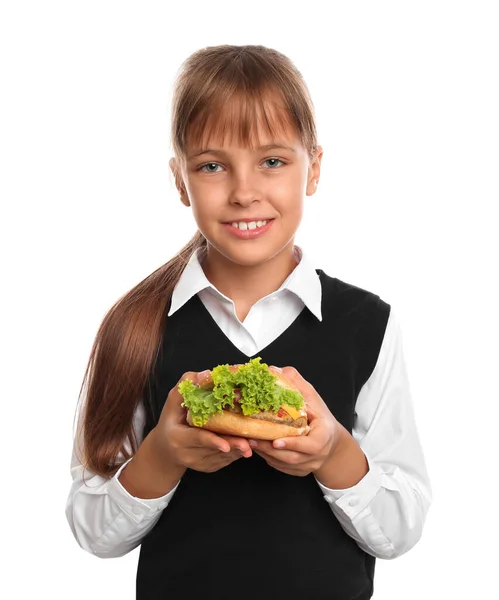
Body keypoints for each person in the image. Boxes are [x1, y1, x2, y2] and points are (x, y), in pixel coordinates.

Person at [66, 44, 431, 600]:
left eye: (272, 161)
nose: (243, 192)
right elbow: (93, 530)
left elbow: (400, 530)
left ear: (314, 169)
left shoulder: (367, 324)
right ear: (180, 180)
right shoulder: (135, 325)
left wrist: (333, 453)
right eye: (212, 166)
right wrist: (162, 455)